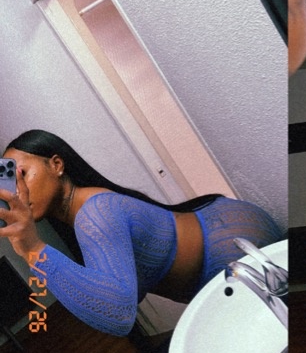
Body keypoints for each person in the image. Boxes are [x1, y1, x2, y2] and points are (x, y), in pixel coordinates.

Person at [0, 130, 282, 336]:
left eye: (22, 174)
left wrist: (32, 248)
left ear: (56, 165)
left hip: (231, 249)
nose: (18, 190)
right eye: (11, 182)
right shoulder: (86, 211)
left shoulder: (94, 214)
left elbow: (118, 314)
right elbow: (125, 291)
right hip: (227, 227)